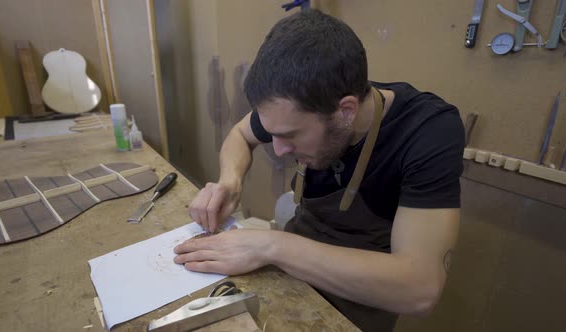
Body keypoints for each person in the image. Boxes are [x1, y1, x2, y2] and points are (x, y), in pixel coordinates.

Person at [173, 9, 463, 331]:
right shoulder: (296, 105)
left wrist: (272, 246)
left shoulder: (427, 132)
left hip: (360, 302)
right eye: (274, 133)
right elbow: (240, 135)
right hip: (288, 270)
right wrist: (231, 181)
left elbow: (419, 290)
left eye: (290, 136)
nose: (278, 149)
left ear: (346, 112)